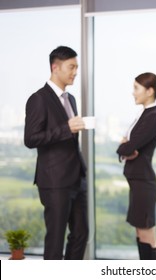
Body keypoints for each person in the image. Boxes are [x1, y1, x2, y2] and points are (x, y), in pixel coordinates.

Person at [24, 46, 88, 260]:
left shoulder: (71, 99)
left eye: (76, 67)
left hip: (77, 178)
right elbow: (31, 139)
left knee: (81, 234)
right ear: (55, 67)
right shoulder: (39, 98)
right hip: (54, 181)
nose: (75, 72)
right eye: (71, 67)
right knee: (56, 239)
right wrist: (65, 128)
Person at [116, 72, 156, 260]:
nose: (133, 93)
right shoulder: (144, 114)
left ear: (149, 91)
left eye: (136, 88)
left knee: (147, 235)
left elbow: (128, 146)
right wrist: (126, 148)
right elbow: (128, 148)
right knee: (140, 233)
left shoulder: (153, 117)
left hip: (144, 184)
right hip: (138, 183)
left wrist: (125, 147)